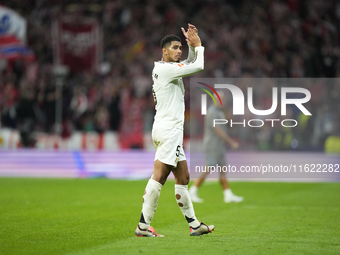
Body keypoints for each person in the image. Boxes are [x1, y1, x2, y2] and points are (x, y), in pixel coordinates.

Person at [135, 24, 214, 237]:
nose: (179, 51)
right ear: (164, 51)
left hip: (167, 129)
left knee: (184, 177)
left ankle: (194, 225)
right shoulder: (166, 69)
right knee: (159, 176)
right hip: (169, 130)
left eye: (181, 47)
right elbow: (197, 66)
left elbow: (188, 63)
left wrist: (191, 46)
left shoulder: (164, 68)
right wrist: (198, 46)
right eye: (175, 47)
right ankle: (143, 226)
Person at [189, 92, 244, 203]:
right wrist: (231, 142)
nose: (222, 101)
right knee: (209, 167)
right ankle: (192, 191)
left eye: (223, 99)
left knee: (223, 168)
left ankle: (227, 194)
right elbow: (218, 130)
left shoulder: (220, 111)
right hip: (212, 144)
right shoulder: (212, 112)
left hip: (219, 145)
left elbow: (229, 121)